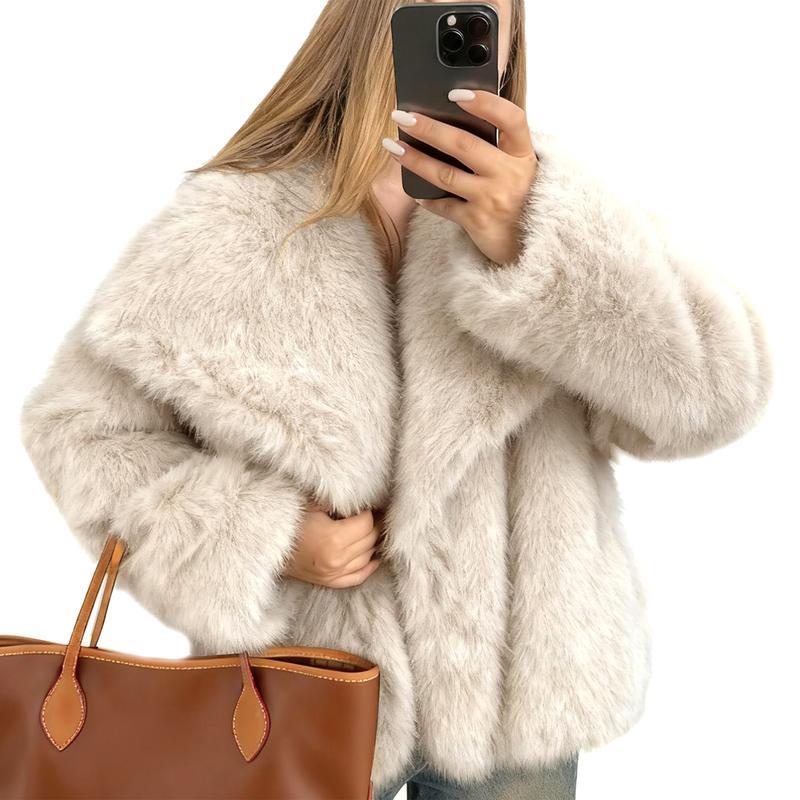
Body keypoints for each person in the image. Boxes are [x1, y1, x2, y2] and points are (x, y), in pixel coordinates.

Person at [19, 1, 772, 798]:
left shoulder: (557, 211)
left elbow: (719, 394)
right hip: (300, 692)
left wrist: (535, 246)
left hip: (517, 696)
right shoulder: (229, 226)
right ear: (371, 20)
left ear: (509, 40)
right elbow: (80, 431)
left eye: (483, 16)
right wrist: (267, 536)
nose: (459, 32)